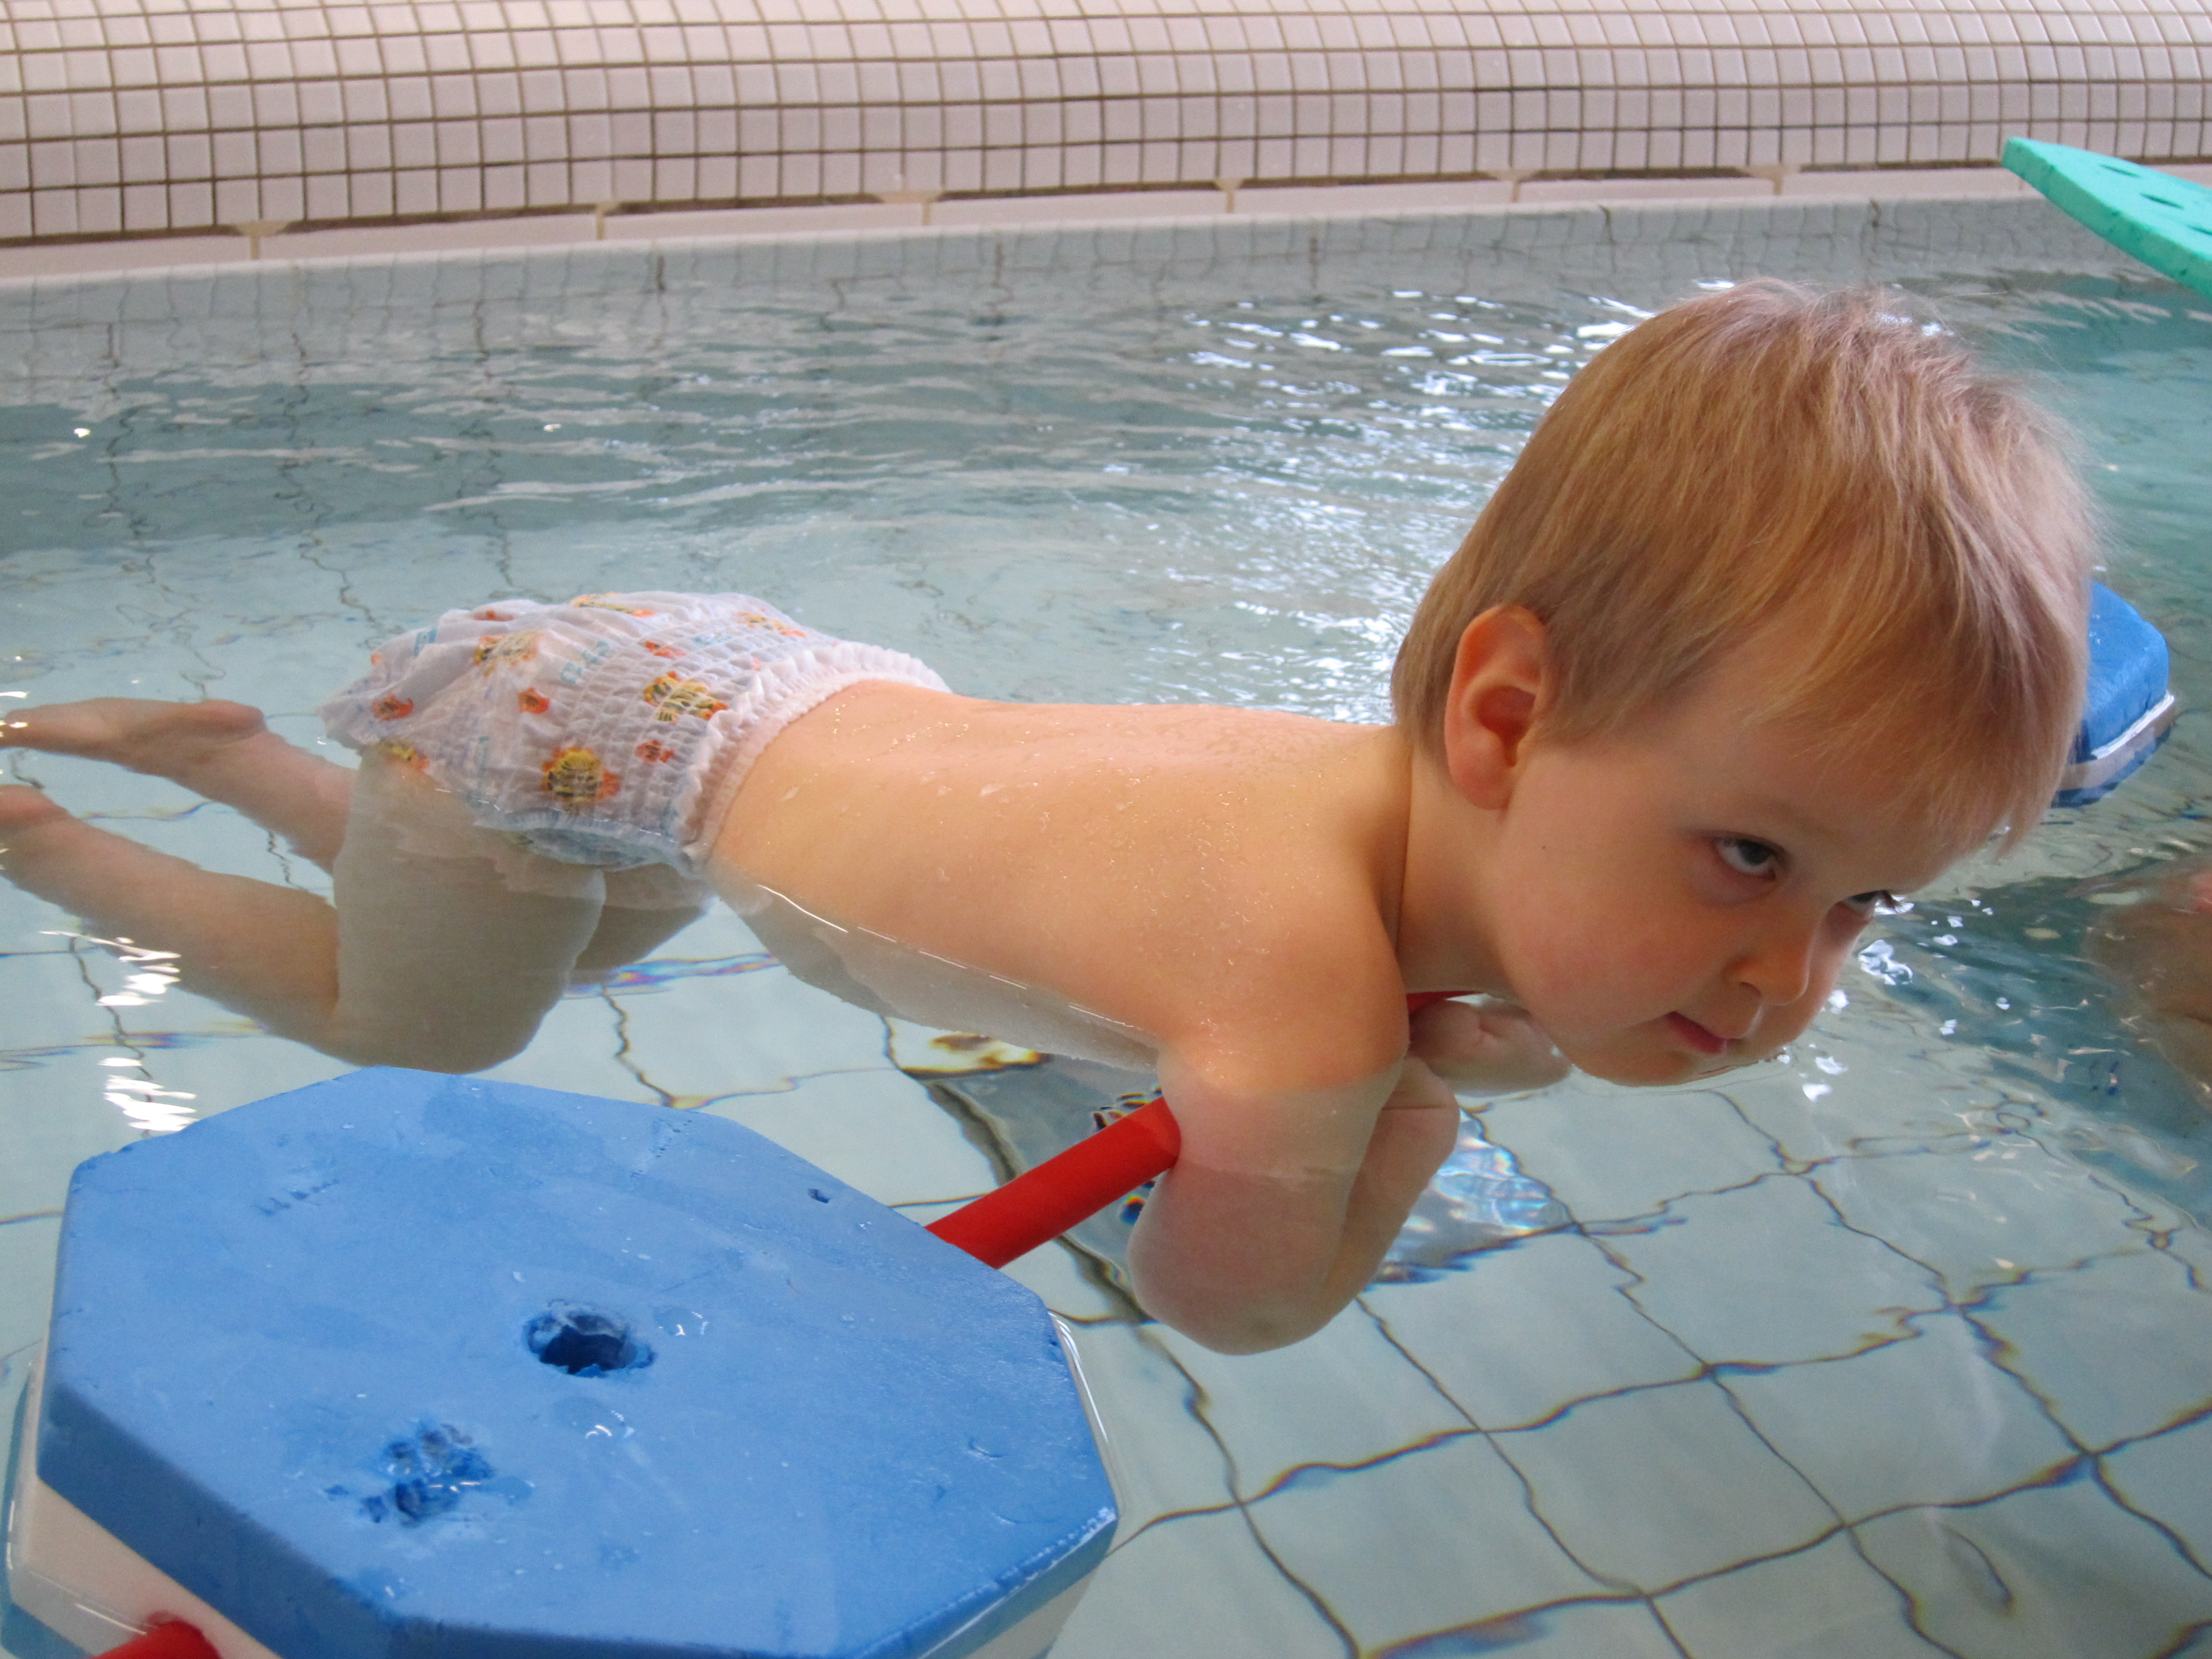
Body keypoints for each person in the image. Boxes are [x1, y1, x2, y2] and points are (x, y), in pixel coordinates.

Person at [0, 283, 2093, 1353]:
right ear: (1510, 715)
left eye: (1865, 906)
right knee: (421, 1025)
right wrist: (1413, 1105)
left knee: (563, 916)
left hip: (728, 693)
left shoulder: (1383, 798)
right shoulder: (1303, 1011)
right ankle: (41, 832)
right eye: (1753, 859)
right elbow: (1227, 1306)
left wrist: (1484, 1027)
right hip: (596, 742)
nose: (1791, 980)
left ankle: (221, 754)